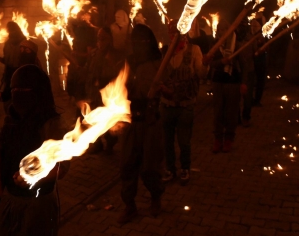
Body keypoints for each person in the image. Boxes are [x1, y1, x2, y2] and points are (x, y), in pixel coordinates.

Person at [0, 64, 70, 236]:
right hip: (10, 200)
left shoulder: (51, 124)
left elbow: (62, 168)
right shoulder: (10, 120)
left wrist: (32, 178)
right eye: (14, 89)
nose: (17, 93)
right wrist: (0, 188)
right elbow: (4, 156)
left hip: (38, 204)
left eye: (23, 89)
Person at [117, 24, 165, 224]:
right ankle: (130, 206)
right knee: (127, 165)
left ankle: (156, 198)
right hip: (130, 120)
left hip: (150, 121)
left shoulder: (159, 63)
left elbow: (171, 90)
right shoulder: (129, 62)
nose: (138, 45)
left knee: (150, 167)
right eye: (134, 41)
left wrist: (161, 89)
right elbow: (119, 88)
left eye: (142, 41)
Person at [159, 22, 208, 185]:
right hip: (166, 104)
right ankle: (170, 168)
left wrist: (206, 65)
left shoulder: (194, 51)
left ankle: (185, 168)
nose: (174, 38)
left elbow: (201, 74)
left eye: (177, 35)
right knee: (166, 140)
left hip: (186, 104)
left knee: (184, 140)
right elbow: (159, 75)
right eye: (172, 35)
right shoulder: (165, 52)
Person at [207, 21, 250, 153]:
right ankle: (218, 139)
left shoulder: (236, 45)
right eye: (220, 29)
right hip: (218, 82)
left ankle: (229, 139)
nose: (222, 31)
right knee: (218, 112)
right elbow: (209, 63)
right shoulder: (214, 45)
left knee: (231, 113)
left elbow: (244, 65)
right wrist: (221, 62)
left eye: (225, 28)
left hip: (233, 82)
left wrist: (243, 83)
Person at [84, 27, 125, 153]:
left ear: (109, 39)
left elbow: (117, 73)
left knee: (107, 118)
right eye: (99, 38)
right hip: (93, 91)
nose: (100, 40)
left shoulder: (115, 54)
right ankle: (97, 143)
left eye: (103, 38)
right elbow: (88, 69)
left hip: (107, 92)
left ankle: (110, 142)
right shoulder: (93, 53)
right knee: (93, 116)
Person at [0, 21, 27, 112]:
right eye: (9, 30)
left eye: (12, 30)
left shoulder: (25, 44)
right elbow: (6, 61)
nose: (11, 32)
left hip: (21, 74)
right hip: (9, 73)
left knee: (18, 99)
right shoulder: (7, 44)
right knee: (8, 100)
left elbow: (28, 62)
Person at [238, 21, 256, 127]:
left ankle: (245, 117)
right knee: (238, 97)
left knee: (247, 97)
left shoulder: (250, 39)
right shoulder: (234, 39)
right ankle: (240, 118)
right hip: (238, 70)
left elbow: (255, 52)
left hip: (248, 70)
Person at [250, 13, 268, 106]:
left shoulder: (263, 35)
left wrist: (259, 52)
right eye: (252, 25)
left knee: (260, 81)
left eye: (256, 25)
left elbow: (265, 47)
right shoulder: (250, 35)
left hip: (261, 60)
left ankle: (257, 100)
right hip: (252, 60)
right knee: (251, 80)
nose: (254, 27)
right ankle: (250, 99)